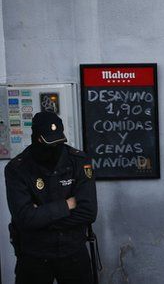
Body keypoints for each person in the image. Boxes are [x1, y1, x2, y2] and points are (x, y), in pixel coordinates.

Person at [5, 111, 98, 284]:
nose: (54, 148)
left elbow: (88, 212)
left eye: (58, 142)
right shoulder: (17, 168)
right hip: (34, 255)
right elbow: (24, 218)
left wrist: (40, 216)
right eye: (49, 143)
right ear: (36, 138)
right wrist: (67, 205)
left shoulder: (79, 161)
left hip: (73, 253)